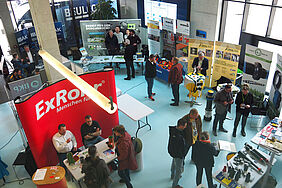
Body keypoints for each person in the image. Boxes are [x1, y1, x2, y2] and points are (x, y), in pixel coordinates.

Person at [168, 118, 188, 188]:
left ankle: (172, 175)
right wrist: (183, 155)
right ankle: (175, 185)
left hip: (173, 152)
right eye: (185, 126)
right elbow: (182, 147)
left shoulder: (173, 131)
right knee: (178, 170)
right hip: (179, 154)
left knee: (174, 162)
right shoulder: (179, 137)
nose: (185, 127)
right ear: (181, 126)